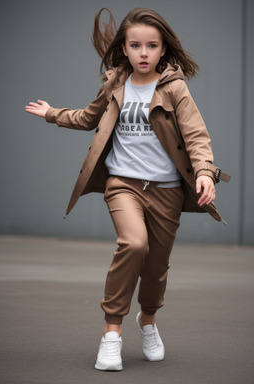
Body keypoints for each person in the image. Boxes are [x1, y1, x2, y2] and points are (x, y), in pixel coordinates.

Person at [25, 8, 230, 371]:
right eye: (136, 45)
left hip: (166, 190)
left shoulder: (175, 88)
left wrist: (204, 173)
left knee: (155, 267)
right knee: (133, 243)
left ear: (164, 49)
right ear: (125, 47)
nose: (144, 53)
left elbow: (196, 136)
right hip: (123, 185)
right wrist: (52, 113)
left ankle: (147, 320)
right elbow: (89, 118)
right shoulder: (115, 84)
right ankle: (112, 333)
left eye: (152, 45)